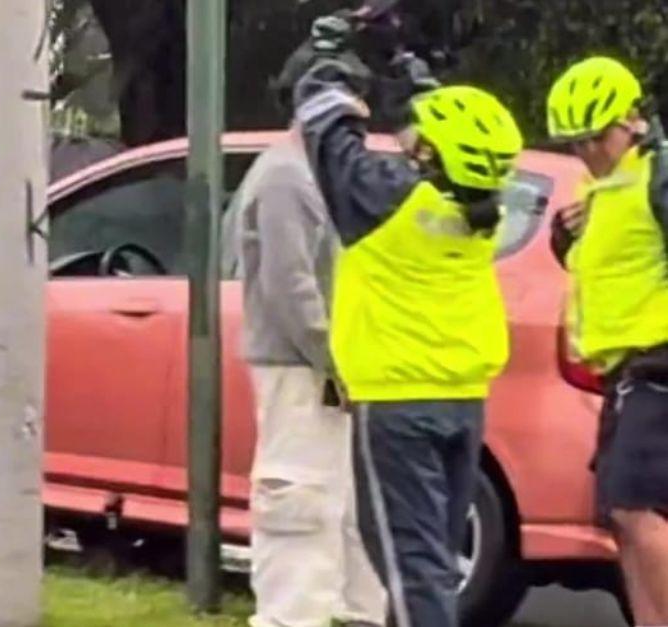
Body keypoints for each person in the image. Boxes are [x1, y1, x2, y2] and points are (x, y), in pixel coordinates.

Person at [293, 58, 524, 627]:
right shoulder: (482, 215)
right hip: (463, 401)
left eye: (420, 139)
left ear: (433, 155)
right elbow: (457, 136)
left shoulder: (386, 203)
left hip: (396, 404)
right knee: (432, 565)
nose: (408, 141)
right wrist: (407, 69)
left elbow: (323, 122)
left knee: (408, 567)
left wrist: (334, 54)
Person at [229, 28, 387, 627]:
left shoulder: (317, 177)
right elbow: (290, 287)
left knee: (344, 510)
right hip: (300, 369)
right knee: (298, 506)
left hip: (328, 367)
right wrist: (336, 359)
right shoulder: (284, 179)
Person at [546, 56, 668, 626]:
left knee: (634, 508)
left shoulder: (657, 177)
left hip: (658, 364)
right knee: (619, 520)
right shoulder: (602, 189)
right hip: (619, 370)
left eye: (598, 137)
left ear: (633, 120)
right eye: (576, 144)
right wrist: (563, 238)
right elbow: (604, 270)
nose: (589, 152)